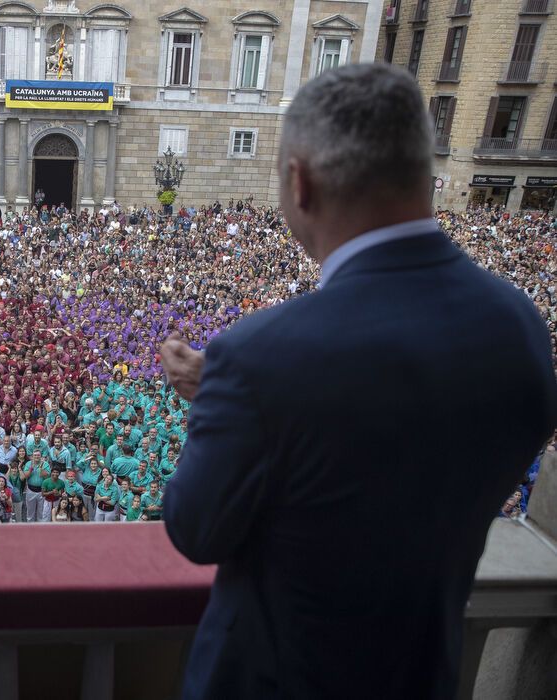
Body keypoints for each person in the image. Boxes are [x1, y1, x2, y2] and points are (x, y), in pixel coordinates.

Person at [160, 63, 557, 699]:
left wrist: (225, 403)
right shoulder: (520, 330)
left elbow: (196, 530)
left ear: (300, 181)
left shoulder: (258, 357)